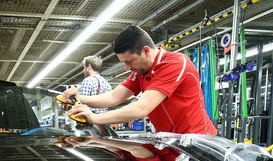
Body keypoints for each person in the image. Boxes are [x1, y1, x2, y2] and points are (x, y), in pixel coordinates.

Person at [63, 26, 216, 135]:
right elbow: (113, 97)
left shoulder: (174, 63)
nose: (126, 68)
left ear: (146, 51)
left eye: (129, 61)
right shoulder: (142, 71)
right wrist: (78, 98)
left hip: (199, 143)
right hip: (173, 142)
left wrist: (94, 117)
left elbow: (141, 109)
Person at [62, 136, 178, 161]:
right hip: (182, 144)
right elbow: (135, 148)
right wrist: (93, 140)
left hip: (170, 137)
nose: (115, 159)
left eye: (110, 160)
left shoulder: (126, 159)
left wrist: (79, 145)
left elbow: (107, 146)